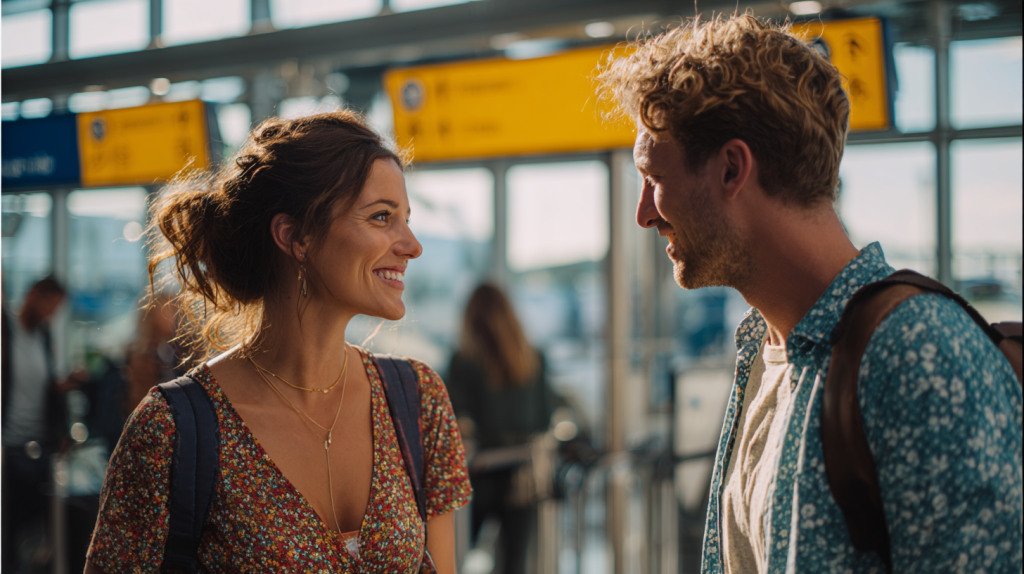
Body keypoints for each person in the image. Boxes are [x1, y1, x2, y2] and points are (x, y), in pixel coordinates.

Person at [597, 14, 1022, 574]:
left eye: (653, 178)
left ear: (731, 169)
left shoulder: (916, 351)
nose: (644, 213)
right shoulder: (765, 352)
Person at [84, 111, 471, 573]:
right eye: (382, 217)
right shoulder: (170, 431)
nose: (412, 244)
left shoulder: (417, 399)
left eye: (405, 219)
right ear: (295, 236)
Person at [446, 283, 557, 574]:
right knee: (514, 565)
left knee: (453, 557)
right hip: (523, 474)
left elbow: (454, 423)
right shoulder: (534, 358)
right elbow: (544, 417)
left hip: (478, 472)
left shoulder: (464, 362)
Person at [1, 277, 80, 572]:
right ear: (32, 294)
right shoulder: (5, 330)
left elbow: (46, 385)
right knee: (7, 526)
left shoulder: (44, 336)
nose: (50, 313)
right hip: (8, 446)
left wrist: (65, 386)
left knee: (37, 522)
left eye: (56, 309)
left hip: (38, 445)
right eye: (48, 304)